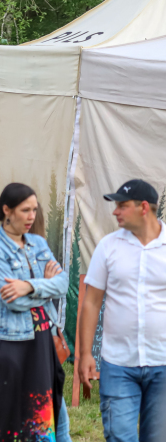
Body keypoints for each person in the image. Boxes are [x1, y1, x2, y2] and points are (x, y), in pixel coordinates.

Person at [77, 179, 166, 442]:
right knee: (119, 437)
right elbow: (91, 302)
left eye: (122, 206)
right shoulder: (108, 246)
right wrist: (85, 354)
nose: (115, 212)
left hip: (163, 362)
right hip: (118, 365)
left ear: (144, 208)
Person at [0, 183, 69, 442]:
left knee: (46, 419)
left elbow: (63, 284)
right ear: (7, 210)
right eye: (25, 210)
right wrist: (46, 287)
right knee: (7, 422)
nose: (32, 216)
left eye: (34, 210)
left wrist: (29, 286)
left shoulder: (38, 244)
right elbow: (13, 303)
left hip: (41, 344)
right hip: (12, 347)